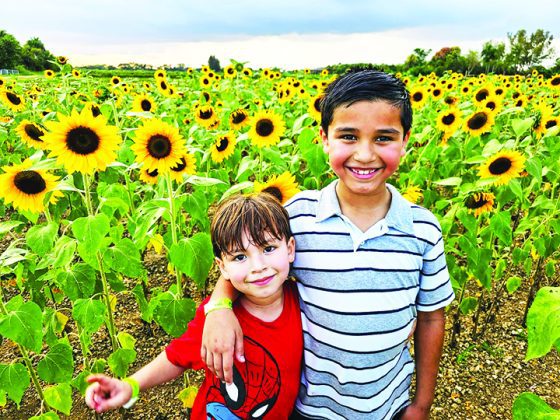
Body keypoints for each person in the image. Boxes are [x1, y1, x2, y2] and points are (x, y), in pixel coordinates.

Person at [201, 69, 455, 420]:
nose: (365, 155)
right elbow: (246, 260)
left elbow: (431, 318)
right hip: (311, 404)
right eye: (348, 136)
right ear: (324, 138)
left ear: (405, 140)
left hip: (388, 403)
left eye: (383, 138)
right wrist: (218, 308)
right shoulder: (298, 216)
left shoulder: (422, 229)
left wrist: (421, 405)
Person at [85, 192, 303, 419]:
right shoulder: (218, 318)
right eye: (240, 257)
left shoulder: (304, 304)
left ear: (289, 249)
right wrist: (130, 385)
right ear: (222, 267)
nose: (258, 266)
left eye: (268, 249)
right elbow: (176, 357)